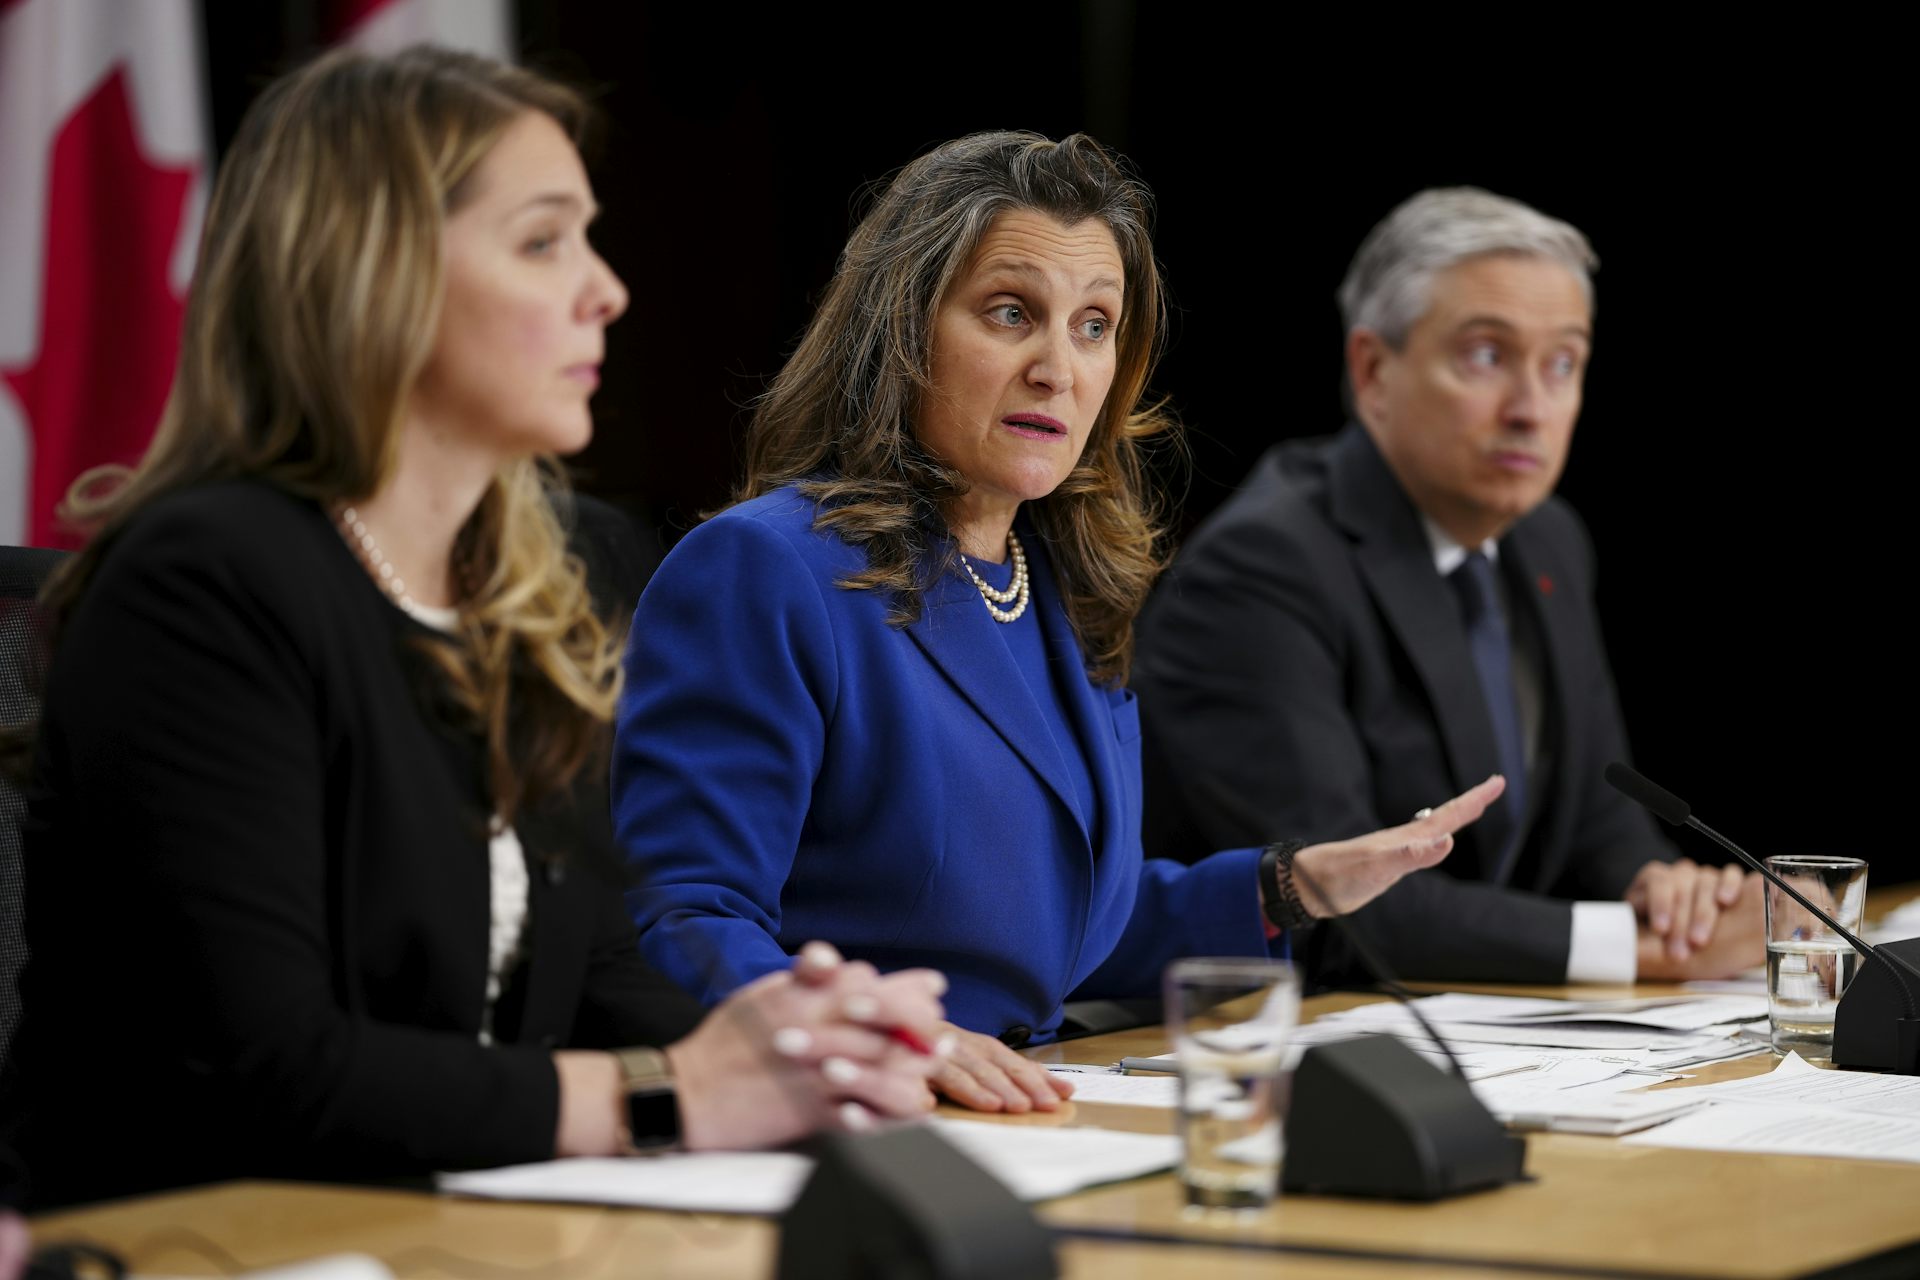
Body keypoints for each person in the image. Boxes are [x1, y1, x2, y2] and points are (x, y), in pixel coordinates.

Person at [5, 46, 943, 1209]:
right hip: (199, 1234)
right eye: (544, 240)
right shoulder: (205, 583)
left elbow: (593, 963)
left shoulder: (544, 572)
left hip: (448, 1222)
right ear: (374, 273)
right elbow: (263, 1067)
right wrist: (672, 1094)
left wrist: (802, 1049)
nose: (608, 290)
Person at [612, 132, 1505, 1115]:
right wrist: (890, 1033)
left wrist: (1287, 885)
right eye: (1010, 313)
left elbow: (1055, 925)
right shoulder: (766, 569)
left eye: (1093, 326)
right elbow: (685, 910)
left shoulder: (1068, 587)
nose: (1057, 367)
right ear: (901, 329)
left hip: (1037, 1109)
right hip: (852, 1117)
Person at [1132, 187, 1762, 987]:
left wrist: (1659, 889)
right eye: (1487, 357)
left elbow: (1598, 813)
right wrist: (1644, 951)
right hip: (1275, 1039)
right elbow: (1333, 898)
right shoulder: (1262, 568)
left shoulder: (1547, 540)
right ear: (1373, 370)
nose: (1531, 409)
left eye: (1563, 363)